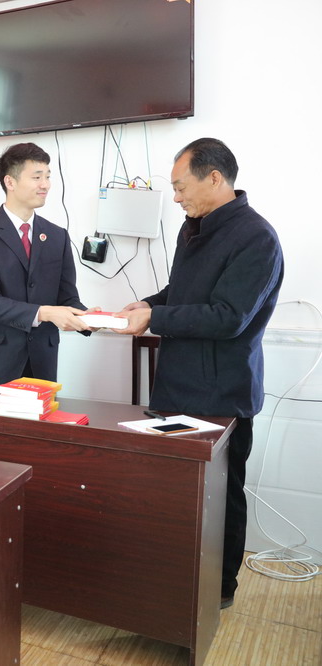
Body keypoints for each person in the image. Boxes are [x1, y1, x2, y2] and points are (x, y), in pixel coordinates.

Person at [115, 138, 284, 610]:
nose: (175, 198)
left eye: (180, 187)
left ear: (214, 178)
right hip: (175, 387)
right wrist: (148, 303)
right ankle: (174, 586)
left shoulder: (257, 238)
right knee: (174, 495)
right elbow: (183, 291)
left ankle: (219, 590)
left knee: (221, 498)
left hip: (220, 395)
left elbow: (229, 317)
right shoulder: (194, 228)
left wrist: (156, 318)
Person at [0, 142, 92, 392]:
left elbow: (67, 297)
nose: (46, 184)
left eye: (48, 176)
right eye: (37, 177)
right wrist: (44, 313)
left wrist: (89, 318)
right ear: (10, 182)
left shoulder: (58, 236)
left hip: (41, 366)